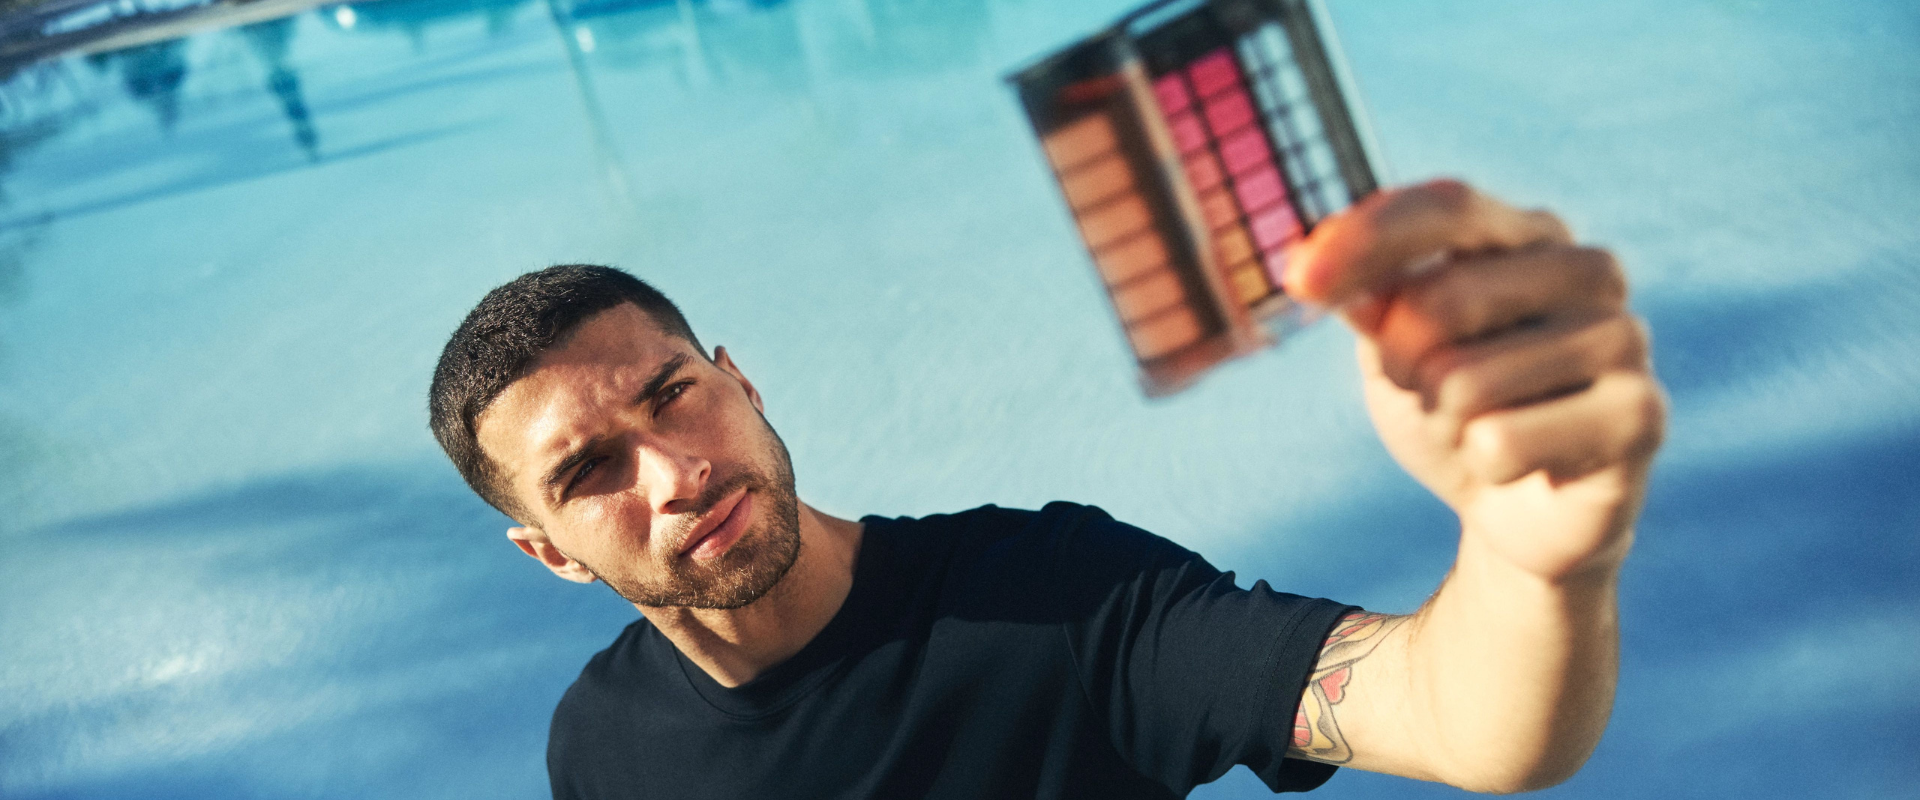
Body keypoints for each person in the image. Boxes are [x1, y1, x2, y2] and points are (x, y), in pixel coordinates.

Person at [427, 179, 1667, 798]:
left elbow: (1471, 718)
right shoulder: (599, 745)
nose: (678, 467)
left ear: (741, 381)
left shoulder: (1054, 601)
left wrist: (1538, 554)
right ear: (551, 551)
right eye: (591, 472)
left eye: (673, 391)